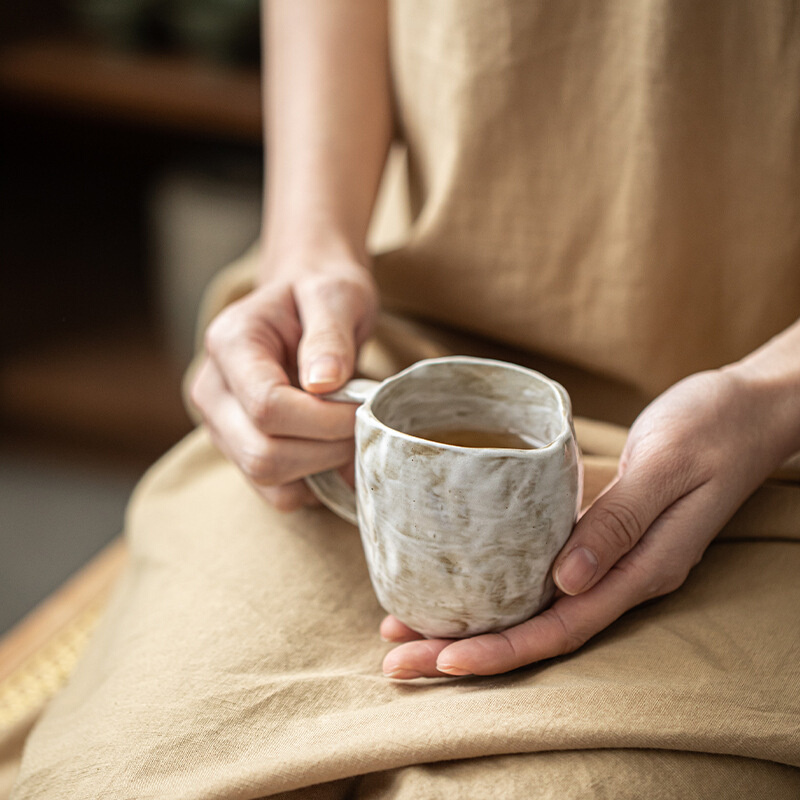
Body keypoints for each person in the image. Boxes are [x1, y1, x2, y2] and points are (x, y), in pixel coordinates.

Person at [10, 1, 800, 797]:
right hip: (388, 330)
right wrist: (306, 249)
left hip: (762, 445)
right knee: (123, 774)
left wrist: (772, 395)